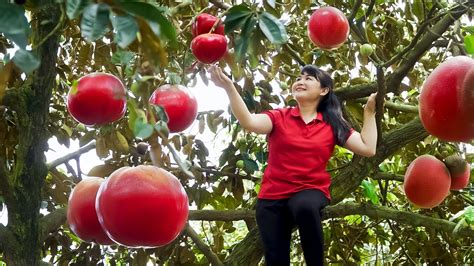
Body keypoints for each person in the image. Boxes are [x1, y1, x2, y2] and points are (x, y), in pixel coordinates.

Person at [209, 64, 379, 266]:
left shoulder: (332, 123)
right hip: (272, 198)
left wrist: (369, 112)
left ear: (324, 90)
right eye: (299, 78)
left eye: (309, 79)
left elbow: (368, 148)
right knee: (276, 261)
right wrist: (229, 86)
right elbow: (249, 122)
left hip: (310, 190)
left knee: (305, 206)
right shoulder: (279, 116)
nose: (300, 81)